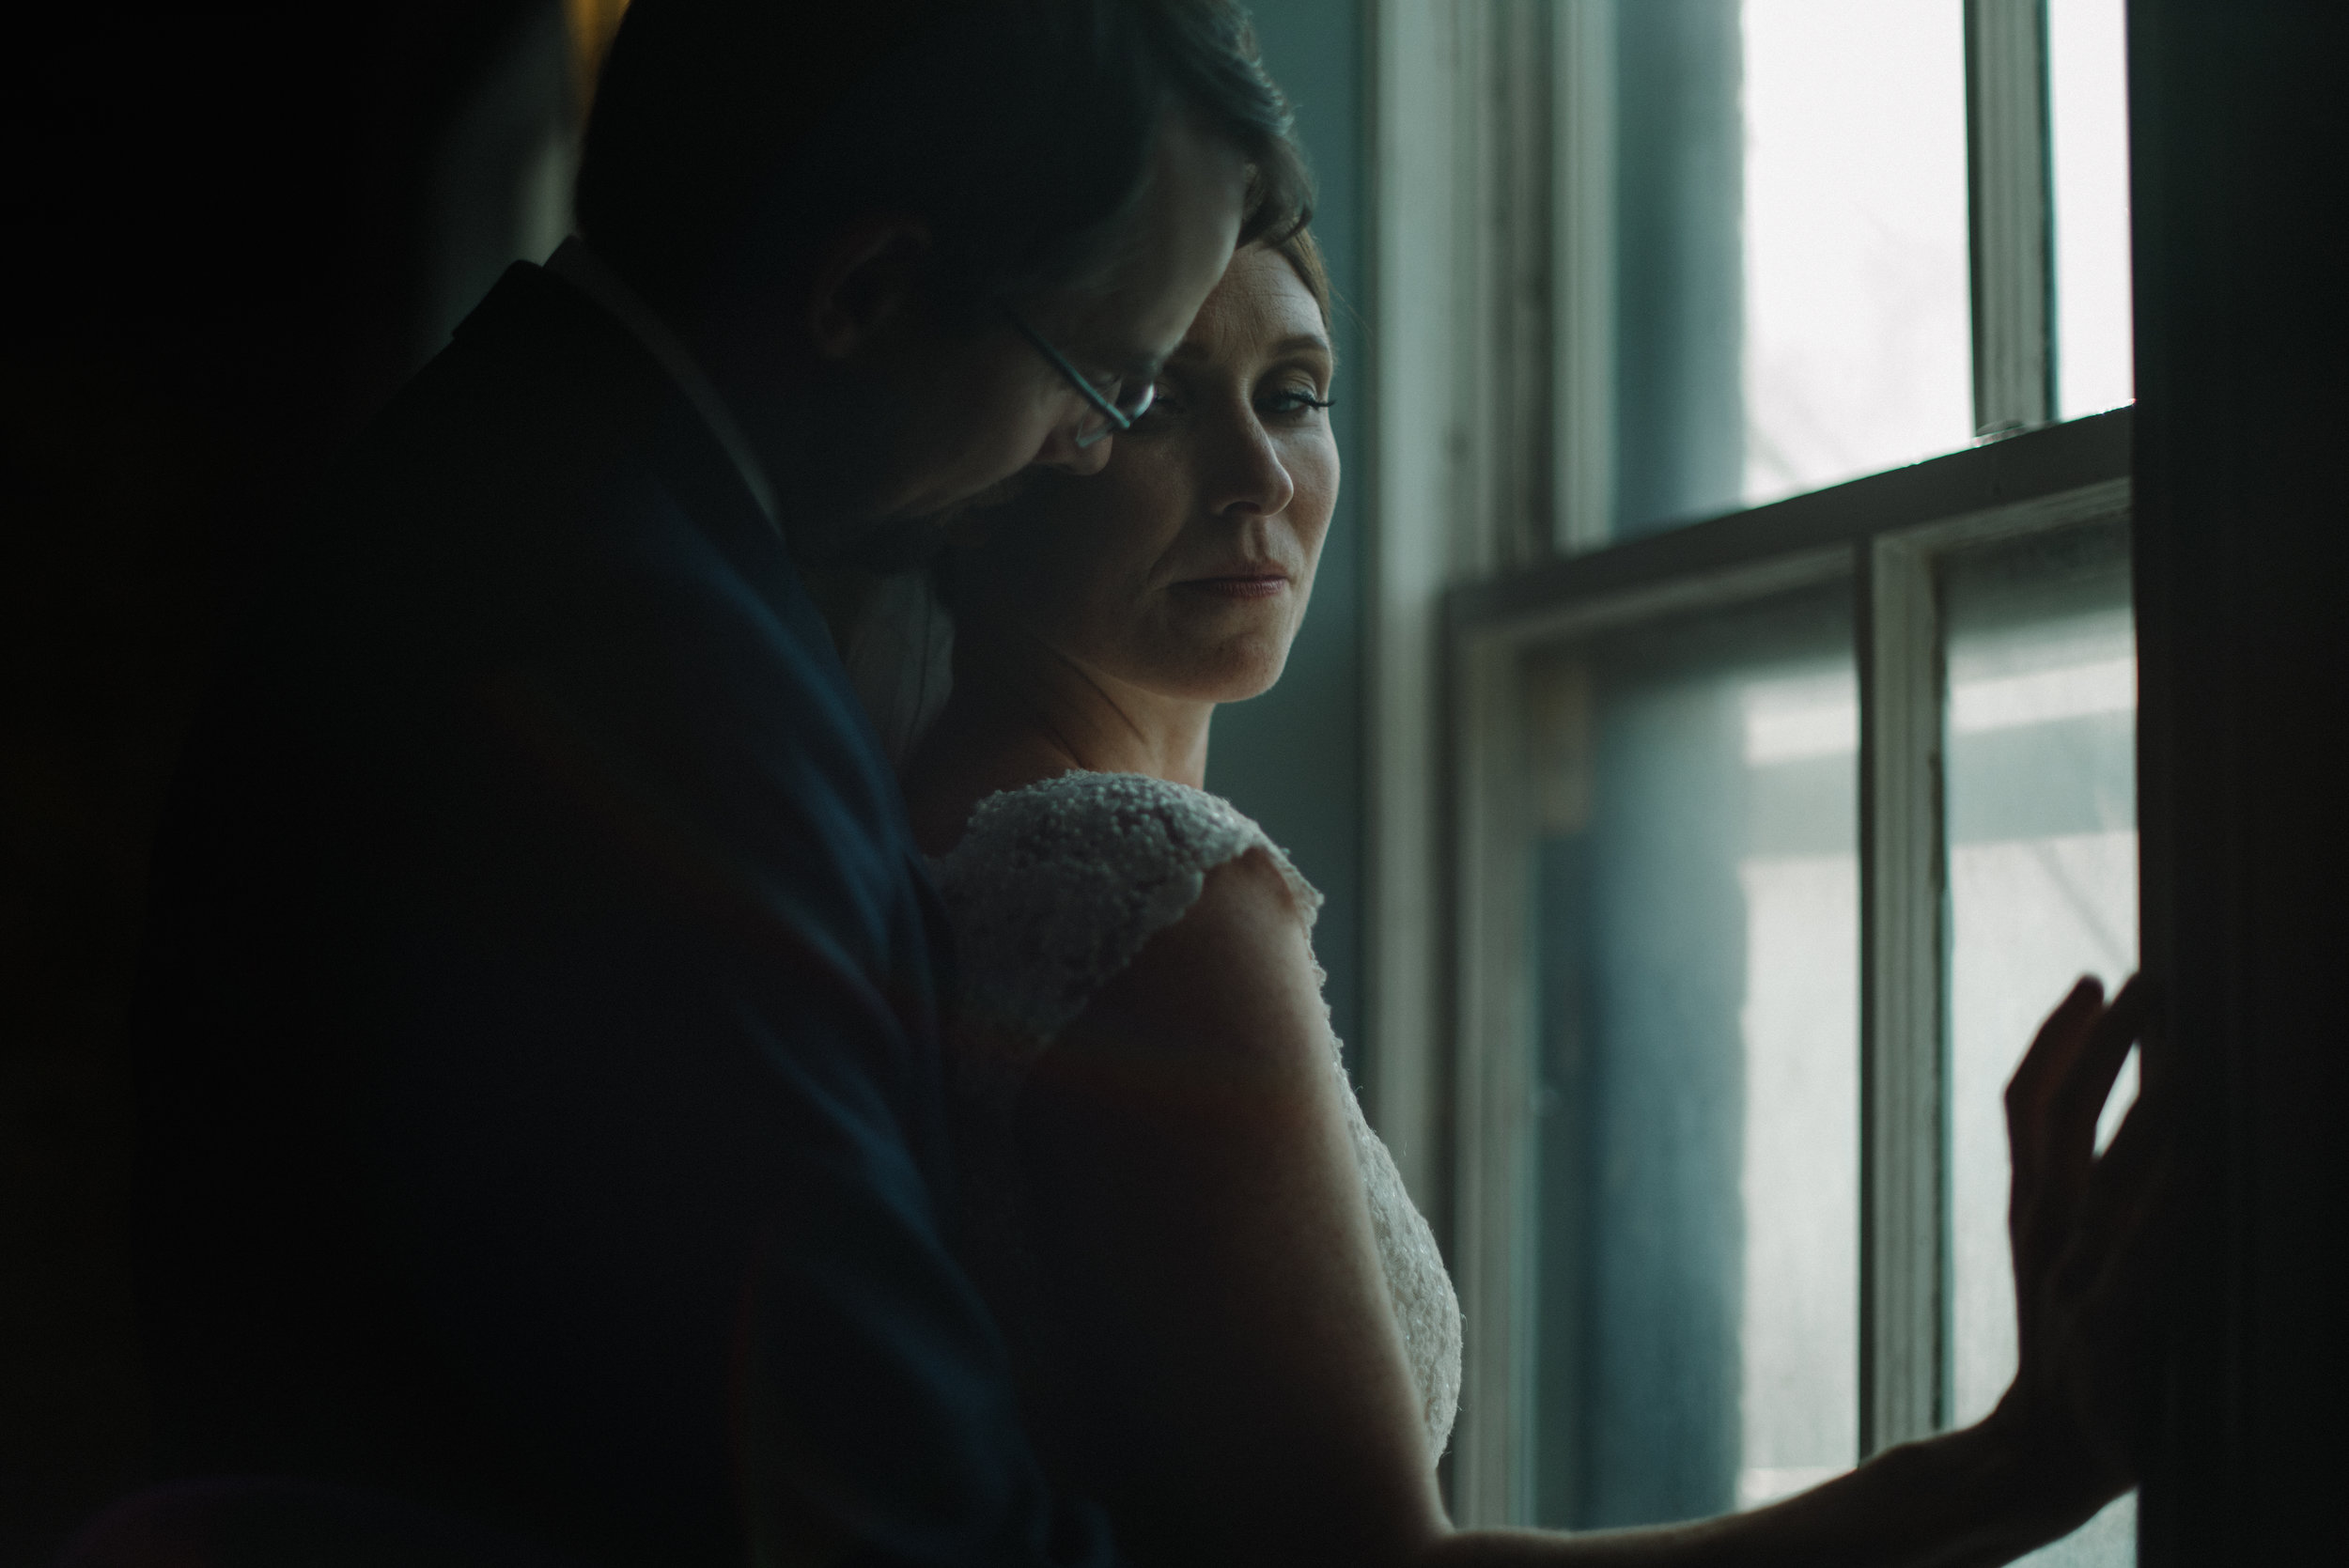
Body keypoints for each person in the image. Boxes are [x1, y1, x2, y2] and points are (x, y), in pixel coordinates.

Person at [126, 3, 1308, 1565]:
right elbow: (869, 1507)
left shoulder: (527, 491)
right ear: (869, 292)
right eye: (1104, 378)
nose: (1084, 454)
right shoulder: (639, 660)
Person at [893, 231, 2174, 1567]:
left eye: (1292, 392)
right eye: (1154, 395)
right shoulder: (1144, 891)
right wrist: (2024, 1462)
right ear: (998, 452)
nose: (1261, 475)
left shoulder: (945, 822)